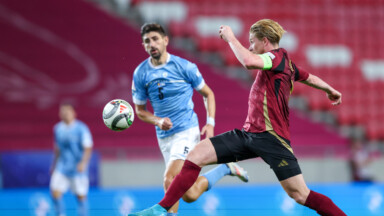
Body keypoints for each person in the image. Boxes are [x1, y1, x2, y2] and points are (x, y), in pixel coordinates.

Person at [129, 19, 347, 216]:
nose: (251, 46)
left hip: (272, 139)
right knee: (196, 154)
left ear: (264, 41)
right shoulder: (287, 65)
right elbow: (309, 77)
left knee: (300, 195)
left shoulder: (275, 56)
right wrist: (329, 89)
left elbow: (249, 61)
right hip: (248, 135)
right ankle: (160, 208)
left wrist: (230, 37)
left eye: (252, 42)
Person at [131, 23, 249, 215]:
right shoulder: (141, 73)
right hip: (164, 136)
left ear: (165, 40)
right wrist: (158, 121)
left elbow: (208, 93)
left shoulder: (184, 66)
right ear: (143, 45)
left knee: (170, 178)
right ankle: (226, 168)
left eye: (155, 39)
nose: (151, 44)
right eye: (147, 41)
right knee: (189, 194)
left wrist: (210, 124)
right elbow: (140, 111)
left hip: (186, 131)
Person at [50, 102, 93, 216]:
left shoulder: (81, 128)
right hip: (62, 167)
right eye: (63, 111)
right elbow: (57, 148)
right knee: (55, 192)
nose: (65, 113)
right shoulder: (57, 129)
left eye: (68, 111)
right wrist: (53, 165)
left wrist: (83, 163)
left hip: (77, 169)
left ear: (74, 113)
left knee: (80, 196)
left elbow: (88, 147)